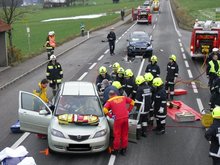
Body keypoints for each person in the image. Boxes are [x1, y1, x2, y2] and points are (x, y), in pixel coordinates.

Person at [103, 90, 135, 155]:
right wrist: (128, 110)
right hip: (126, 118)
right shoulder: (123, 97)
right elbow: (132, 102)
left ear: (109, 95)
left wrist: (111, 116)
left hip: (118, 119)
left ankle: (116, 150)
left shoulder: (110, 101)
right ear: (116, 94)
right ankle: (124, 149)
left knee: (117, 135)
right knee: (125, 134)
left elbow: (104, 109)